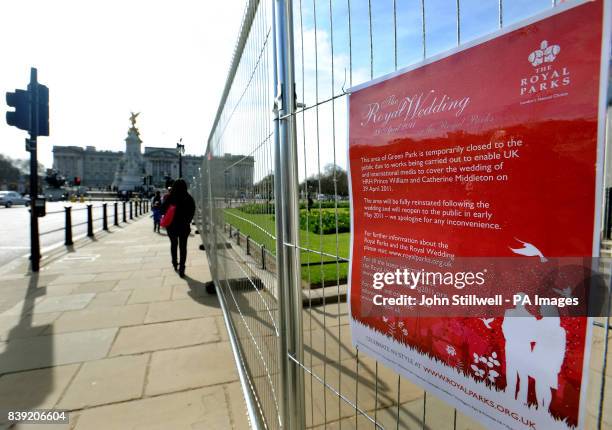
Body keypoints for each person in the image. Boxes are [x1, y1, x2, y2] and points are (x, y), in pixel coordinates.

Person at [160, 179, 195, 277]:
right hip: (184, 226)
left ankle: (175, 263)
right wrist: (187, 221)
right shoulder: (188, 198)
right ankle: (182, 267)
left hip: (172, 226)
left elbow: (162, 210)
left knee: (173, 244)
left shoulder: (171, 197)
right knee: (183, 247)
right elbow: (192, 211)